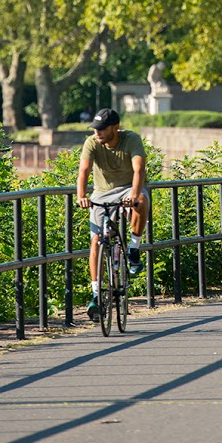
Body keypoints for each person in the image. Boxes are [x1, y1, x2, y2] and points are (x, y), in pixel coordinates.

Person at [77, 107, 149, 321]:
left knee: (142, 201)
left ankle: (134, 249)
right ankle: (96, 294)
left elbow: (139, 169)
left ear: (115, 128)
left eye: (102, 129)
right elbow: (84, 170)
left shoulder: (131, 139)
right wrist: (81, 195)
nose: (97, 133)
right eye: (95, 129)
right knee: (96, 241)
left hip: (128, 188)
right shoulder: (91, 143)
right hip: (101, 193)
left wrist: (134, 194)